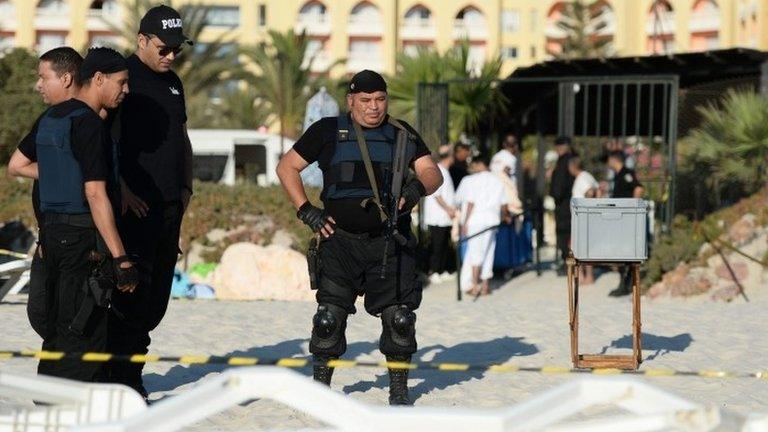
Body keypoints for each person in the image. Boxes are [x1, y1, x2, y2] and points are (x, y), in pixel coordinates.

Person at [276, 70, 441, 405]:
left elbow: (432, 172)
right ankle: (320, 392)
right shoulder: (327, 131)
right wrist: (306, 210)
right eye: (365, 100)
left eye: (380, 99)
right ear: (350, 101)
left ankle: (399, 393)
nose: (373, 107)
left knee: (400, 320)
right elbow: (286, 167)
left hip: (390, 242)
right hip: (340, 242)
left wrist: (414, 189)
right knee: (327, 320)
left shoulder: (402, 134)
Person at [7, 47, 137, 382]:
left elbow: (20, 166)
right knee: (82, 327)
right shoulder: (88, 124)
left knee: (57, 326)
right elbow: (94, 193)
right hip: (80, 240)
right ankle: (69, 405)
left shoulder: (51, 119)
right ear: (98, 79)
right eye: (121, 82)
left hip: (51, 238)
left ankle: (51, 396)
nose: (126, 90)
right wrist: (121, 257)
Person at [109, 4, 194, 397]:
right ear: (141, 40)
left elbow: (182, 137)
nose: (171, 55)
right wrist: (122, 188)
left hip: (169, 209)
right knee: (130, 300)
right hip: (133, 210)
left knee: (156, 303)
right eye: (163, 48)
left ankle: (130, 376)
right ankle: (123, 382)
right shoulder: (122, 78)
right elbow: (104, 141)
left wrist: (187, 187)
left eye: (176, 49)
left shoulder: (174, 82)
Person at [7, 47, 83, 350]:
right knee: (39, 310)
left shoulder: (89, 118)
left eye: (43, 77)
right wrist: (62, 171)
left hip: (79, 232)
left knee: (70, 314)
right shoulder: (48, 118)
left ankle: (71, 378)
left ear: (66, 78)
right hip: (48, 233)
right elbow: (17, 165)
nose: (38, 85)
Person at [455, 155, 510, 296]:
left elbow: (471, 203)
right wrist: (505, 217)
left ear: (480, 164)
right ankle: (485, 286)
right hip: (492, 220)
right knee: (488, 252)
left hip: (476, 220)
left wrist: (465, 222)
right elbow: (504, 205)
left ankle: (474, 286)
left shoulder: (474, 180)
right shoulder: (497, 181)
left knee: (475, 253)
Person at [606, 150, 644, 297]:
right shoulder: (618, 175)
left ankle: (626, 284)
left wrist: (632, 209)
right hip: (619, 218)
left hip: (626, 218)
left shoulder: (626, 173)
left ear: (613, 159)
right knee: (620, 251)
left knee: (625, 252)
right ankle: (624, 283)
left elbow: (638, 188)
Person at [423, 146, 456, 284]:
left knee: (443, 245)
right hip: (438, 217)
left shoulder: (445, 171)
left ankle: (441, 270)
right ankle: (433, 271)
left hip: (444, 218)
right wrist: (448, 208)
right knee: (437, 245)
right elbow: (437, 195)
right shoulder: (439, 170)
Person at [568, 156, 599, 284]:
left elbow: (590, 192)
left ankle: (583, 276)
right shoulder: (588, 175)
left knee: (577, 247)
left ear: (573, 166)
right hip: (585, 217)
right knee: (585, 247)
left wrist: (587, 206)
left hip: (583, 218)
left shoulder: (582, 178)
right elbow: (597, 189)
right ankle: (586, 276)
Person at [549, 136, 576, 275]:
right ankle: (568, 262)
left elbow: (560, 184)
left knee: (565, 235)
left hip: (564, 204)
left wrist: (556, 195)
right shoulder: (570, 159)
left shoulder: (565, 161)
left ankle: (568, 263)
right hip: (565, 203)